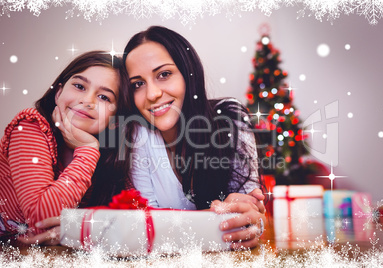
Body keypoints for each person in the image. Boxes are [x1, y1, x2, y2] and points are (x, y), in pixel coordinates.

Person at [122, 26, 266, 249]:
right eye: (138, 84)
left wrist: (253, 221)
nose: (152, 94)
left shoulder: (231, 119)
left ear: (189, 73)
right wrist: (213, 219)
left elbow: (251, 217)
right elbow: (147, 229)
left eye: (164, 74)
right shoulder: (137, 134)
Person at [0, 51, 131, 245]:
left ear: (115, 121)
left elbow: (134, 219)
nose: (88, 101)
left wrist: (83, 228)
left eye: (104, 97)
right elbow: (41, 220)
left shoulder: (112, 157)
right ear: (59, 92)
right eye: (79, 86)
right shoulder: (29, 126)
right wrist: (88, 149)